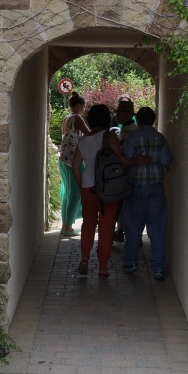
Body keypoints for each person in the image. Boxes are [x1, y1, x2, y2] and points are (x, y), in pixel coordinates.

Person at [73, 103, 147, 278]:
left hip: (88, 186)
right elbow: (122, 159)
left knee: (88, 223)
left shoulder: (83, 140)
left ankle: (84, 258)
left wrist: (83, 185)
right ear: (106, 119)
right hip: (108, 187)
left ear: (90, 120)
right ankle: (102, 268)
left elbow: (75, 168)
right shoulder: (110, 136)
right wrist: (137, 160)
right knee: (106, 226)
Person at [121, 106, 173, 281]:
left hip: (136, 186)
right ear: (154, 120)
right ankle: (158, 268)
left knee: (132, 226)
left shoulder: (132, 137)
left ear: (138, 120)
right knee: (157, 229)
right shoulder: (160, 138)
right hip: (156, 187)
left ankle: (131, 262)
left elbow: (126, 157)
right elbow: (166, 160)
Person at [57, 95, 88, 236]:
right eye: (84, 106)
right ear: (79, 105)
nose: (84, 109)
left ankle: (65, 225)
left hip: (63, 160)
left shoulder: (66, 118)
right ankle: (68, 227)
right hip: (73, 160)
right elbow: (89, 134)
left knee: (67, 193)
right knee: (76, 193)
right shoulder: (77, 118)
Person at [111, 96, 137, 242]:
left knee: (123, 205)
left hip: (126, 172)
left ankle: (121, 232)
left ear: (126, 115)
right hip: (130, 171)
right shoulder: (130, 128)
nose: (116, 116)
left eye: (119, 114)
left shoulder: (128, 131)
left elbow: (124, 153)